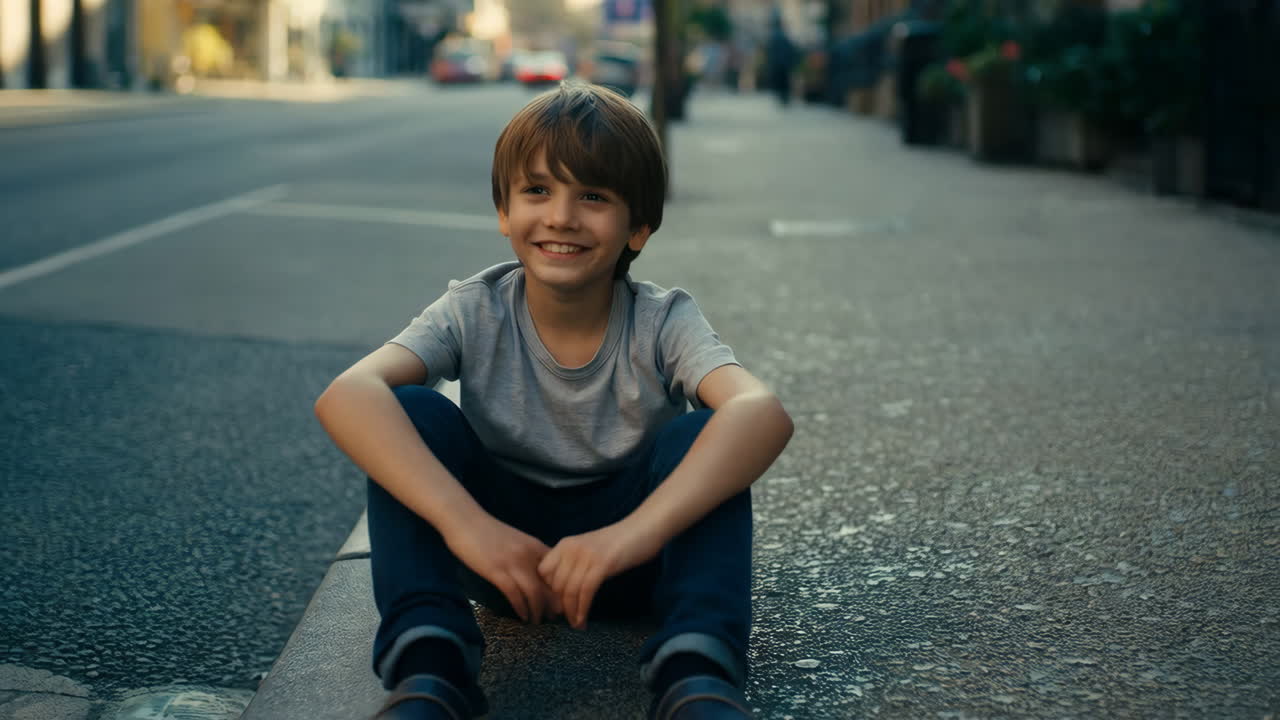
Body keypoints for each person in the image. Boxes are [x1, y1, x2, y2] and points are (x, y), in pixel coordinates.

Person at [314, 82, 794, 720]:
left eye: (592, 196)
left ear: (639, 228)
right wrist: (469, 526)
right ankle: (430, 674)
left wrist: (625, 538)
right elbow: (347, 395)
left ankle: (697, 677)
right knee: (409, 411)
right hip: (506, 562)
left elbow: (762, 413)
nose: (562, 217)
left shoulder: (663, 320)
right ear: (504, 212)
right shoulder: (474, 307)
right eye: (537, 190)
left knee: (708, 435)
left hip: (635, 565)